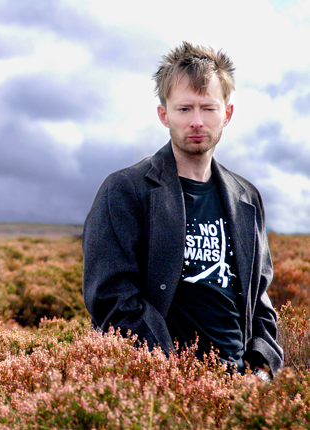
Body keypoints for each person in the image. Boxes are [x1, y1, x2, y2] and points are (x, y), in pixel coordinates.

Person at [82, 41, 283, 380]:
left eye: (208, 108)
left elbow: (259, 300)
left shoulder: (246, 197)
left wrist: (261, 368)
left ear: (227, 113)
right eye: (184, 109)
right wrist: (169, 372)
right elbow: (111, 297)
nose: (197, 122)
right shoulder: (126, 190)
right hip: (156, 388)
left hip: (239, 391)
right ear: (164, 114)